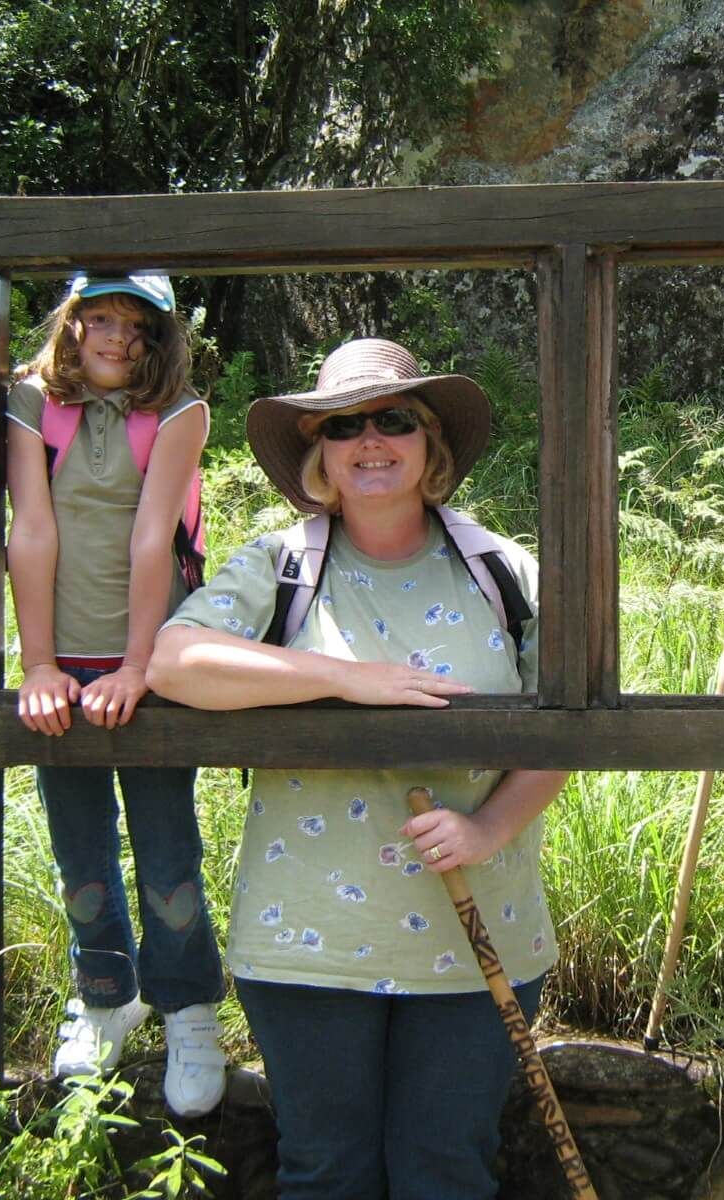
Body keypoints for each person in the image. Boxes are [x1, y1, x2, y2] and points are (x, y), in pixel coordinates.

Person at [148, 337, 566, 1200]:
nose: (370, 441)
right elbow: (175, 662)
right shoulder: (279, 566)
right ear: (320, 454)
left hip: (479, 928)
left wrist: (488, 828)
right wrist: (345, 680)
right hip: (307, 941)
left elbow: (561, 729)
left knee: (445, 1172)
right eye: (344, 425)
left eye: (394, 420)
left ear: (430, 444)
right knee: (325, 1173)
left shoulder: (504, 569)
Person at [4, 273, 227, 1117]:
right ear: (72, 323)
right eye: (98, 317)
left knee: (168, 846)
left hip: (154, 656)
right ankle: (106, 992)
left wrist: (139, 668)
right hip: (60, 658)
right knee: (79, 848)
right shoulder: (32, 404)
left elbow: (149, 539)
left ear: (159, 339)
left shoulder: (178, 414)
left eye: (137, 324)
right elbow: (31, 526)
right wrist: (37, 665)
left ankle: (188, 1002)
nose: (115, 337)